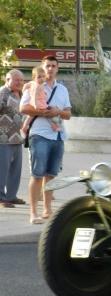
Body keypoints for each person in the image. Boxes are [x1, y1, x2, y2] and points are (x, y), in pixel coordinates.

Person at [19, 55, 71, 225]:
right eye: (47, 65)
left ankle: (47, 209)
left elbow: (68, 114)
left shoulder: (62, 90)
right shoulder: (33, 85)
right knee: (37, 174)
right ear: (42, 67)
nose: (50, 69)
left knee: (52, 175)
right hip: (39, 134)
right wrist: (43, 112)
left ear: (57, 69)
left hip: (58, 135)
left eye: (53, 66)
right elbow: (23, 108)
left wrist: (57, 111)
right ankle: (34, 212)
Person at [0, 69, 26, 208]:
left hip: (17, 138)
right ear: (7, 80)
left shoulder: (21, 94)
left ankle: (11, 196)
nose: (19, 82)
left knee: (15, 169)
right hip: (3, 138)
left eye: (21, 80)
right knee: (2, 169)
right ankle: (1, 198)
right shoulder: (2, 93)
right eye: (16, 80)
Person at [24, 66, 62, 132]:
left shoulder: (32, 83)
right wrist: (36, 105)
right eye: (39, 77)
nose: (42, 79)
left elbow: (26, 85)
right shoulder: (38, 86)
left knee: (30, 116)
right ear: (34, 78)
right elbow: (35, 95)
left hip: (36, 102)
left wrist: (23, 91)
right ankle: (54, 126)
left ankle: (24, 128)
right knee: (49, 113)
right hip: (39, 103)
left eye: (43, 77)